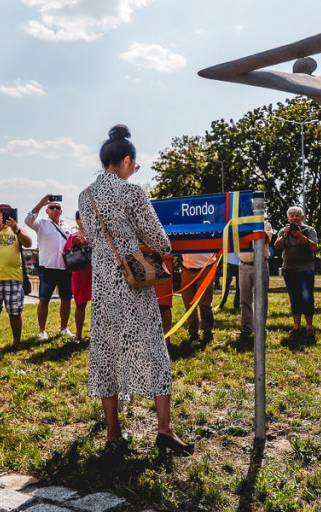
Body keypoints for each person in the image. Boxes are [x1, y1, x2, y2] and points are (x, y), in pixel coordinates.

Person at [78, 124, 192, 456]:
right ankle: (164, 430)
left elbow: (93, 237)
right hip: (132, 284)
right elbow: (161, 242)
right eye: (135, 165)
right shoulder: (132, 192)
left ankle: (113, 433)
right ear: (127, 160)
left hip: (101, 285)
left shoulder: (84, 196)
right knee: (154, 351)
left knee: (106, 355)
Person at [0, 204, 32, 352]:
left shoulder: (17, 229)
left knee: (15, 311)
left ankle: (17, 342)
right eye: (0, 210)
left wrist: (17, 230)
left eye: (7, 210)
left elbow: (28, 243)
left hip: (13, 277)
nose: (3, 213)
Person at [26, 196, 74, 340]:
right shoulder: (41, 224)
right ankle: (42, 330)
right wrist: (41, 203)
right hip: (48, 267)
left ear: (61, 211)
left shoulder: (67, 227)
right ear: (47, 211)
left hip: (65, 268)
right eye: (51, 207)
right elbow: (28, 220)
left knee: (66, 299)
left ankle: (64, 328)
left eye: (57, 207)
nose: (55, 210)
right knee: (44, 299)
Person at [274, 207, 319, 334]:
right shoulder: (283, 231)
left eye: (297, 215)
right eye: (292, 216)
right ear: (288, 218)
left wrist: (299, 235)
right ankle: (296, 326)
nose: (294, 218)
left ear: (302, 217)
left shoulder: (309, 230)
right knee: (294, 297)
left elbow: (314, 247)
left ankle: (309, 326)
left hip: (306, 269)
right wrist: (285, 235)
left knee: (307, 297)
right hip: (289, 269)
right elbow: (277, 246)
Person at [239, 221, 273, 337]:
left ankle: (260, 328)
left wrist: (255, 230)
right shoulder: (240, 224)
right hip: (243, 265)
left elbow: (267, 238)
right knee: (244, 299)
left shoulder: (265, 224)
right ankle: (246, 328)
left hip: (260, 264)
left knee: (261, 298)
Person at [62, 210, 92, 344]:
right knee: (80, 305)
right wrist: (75, 245)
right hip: (80, 274)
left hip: (96, 273)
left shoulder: (97, 236)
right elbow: (66, 254)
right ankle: (78, 335)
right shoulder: (73, 237)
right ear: (78, 221)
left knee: (101, 305)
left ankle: (98, 334)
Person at [180, 251, 217, 342]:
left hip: (206, 267)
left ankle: (207, 331)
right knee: (189, 304)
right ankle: (193, 332)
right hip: (187, 268)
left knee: (204, 303)